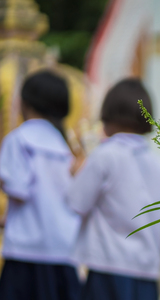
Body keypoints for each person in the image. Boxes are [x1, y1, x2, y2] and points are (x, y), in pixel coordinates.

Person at [67, 79, 160, 300]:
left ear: (108, 115)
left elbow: (76, 203)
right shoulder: (155, 163)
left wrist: (76, 174)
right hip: (147, 270)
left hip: (108, 266)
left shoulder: (105, 154)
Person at [0, 70, 81, 300]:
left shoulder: (19, 139)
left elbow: (18, 190)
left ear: (23, 103)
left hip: (26, 252)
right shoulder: (64, 145)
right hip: (63, 251)